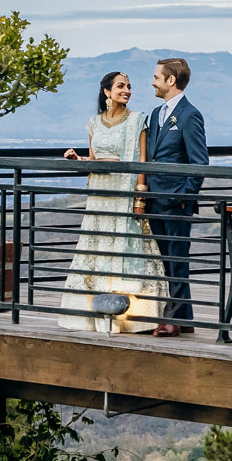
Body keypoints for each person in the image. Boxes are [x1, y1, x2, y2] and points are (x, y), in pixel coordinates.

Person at [57, 71, 168, 334]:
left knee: (126, 247)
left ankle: (130, 317)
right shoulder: (94, 123)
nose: (127, 90)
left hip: (124, 193)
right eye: (121, 86)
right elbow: (95, 159)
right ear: (107, 92)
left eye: (129, 86)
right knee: (97, 249)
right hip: (100, 196)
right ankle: (94, 313)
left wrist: (140, 196)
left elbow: (141, 162)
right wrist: (78, 160)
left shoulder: (138, 121)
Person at [142, 57, 208, 336]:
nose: (153, 81)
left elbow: (199, 162)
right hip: (155, 200)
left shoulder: (189, 115)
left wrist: (185, 196)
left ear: (171, 80)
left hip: (176, 202)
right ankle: (185, 319)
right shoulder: (156, 113)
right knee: (167, 261)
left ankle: (171, 319)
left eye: (157, 77)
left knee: (178, 261)